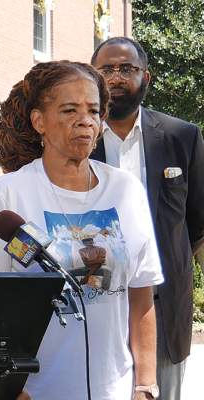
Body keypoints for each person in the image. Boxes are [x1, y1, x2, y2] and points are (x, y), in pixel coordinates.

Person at [0, 61, 163, 400]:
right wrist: (6, 387)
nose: (85, 120)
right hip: (37, 390)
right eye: (69, 110)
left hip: (117, 390)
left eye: (94, 110)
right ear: (40, 122)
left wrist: (145, 386)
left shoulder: (127, 190)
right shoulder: (9, 194)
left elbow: (141, 296)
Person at [90, 37, 204, 400]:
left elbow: (200, 226)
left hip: (164, 306)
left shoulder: (181, 137)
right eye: (106, 69)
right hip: (95, 303)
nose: (116, 77)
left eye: (127, 69)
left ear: (146, 78)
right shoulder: (77, 140)